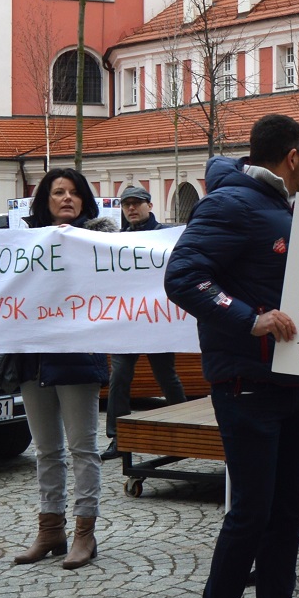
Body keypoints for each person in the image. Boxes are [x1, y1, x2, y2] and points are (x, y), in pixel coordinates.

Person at [165, 114, 299, 598]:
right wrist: (249, 318)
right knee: (251, 512)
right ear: (293, 156)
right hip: (247, 384)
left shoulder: (287, 207)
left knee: (289, 507)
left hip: (297, 381)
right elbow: (183, 278)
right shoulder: (229, 204)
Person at [9, 169, 113, 569]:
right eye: (58, 192)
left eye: (73, 193)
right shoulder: (21, 244)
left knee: (83, 448)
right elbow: (1, 292)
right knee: (47, 450)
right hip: (31, 357)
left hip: (77, 358)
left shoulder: (100, 244)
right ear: (45, 200)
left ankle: (85, 533)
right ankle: (50, 528)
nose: (66, 198)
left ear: (85, 201)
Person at [103, 185, 187, 460]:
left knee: (167, 377)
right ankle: (118, 437)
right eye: (126, 204)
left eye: (136, 203)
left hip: (158, 321)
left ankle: (185, 425)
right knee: (119, 377)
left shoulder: (165, 236)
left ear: (149, 206)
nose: (131, 208)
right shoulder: (117, 241)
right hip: (128, 322)